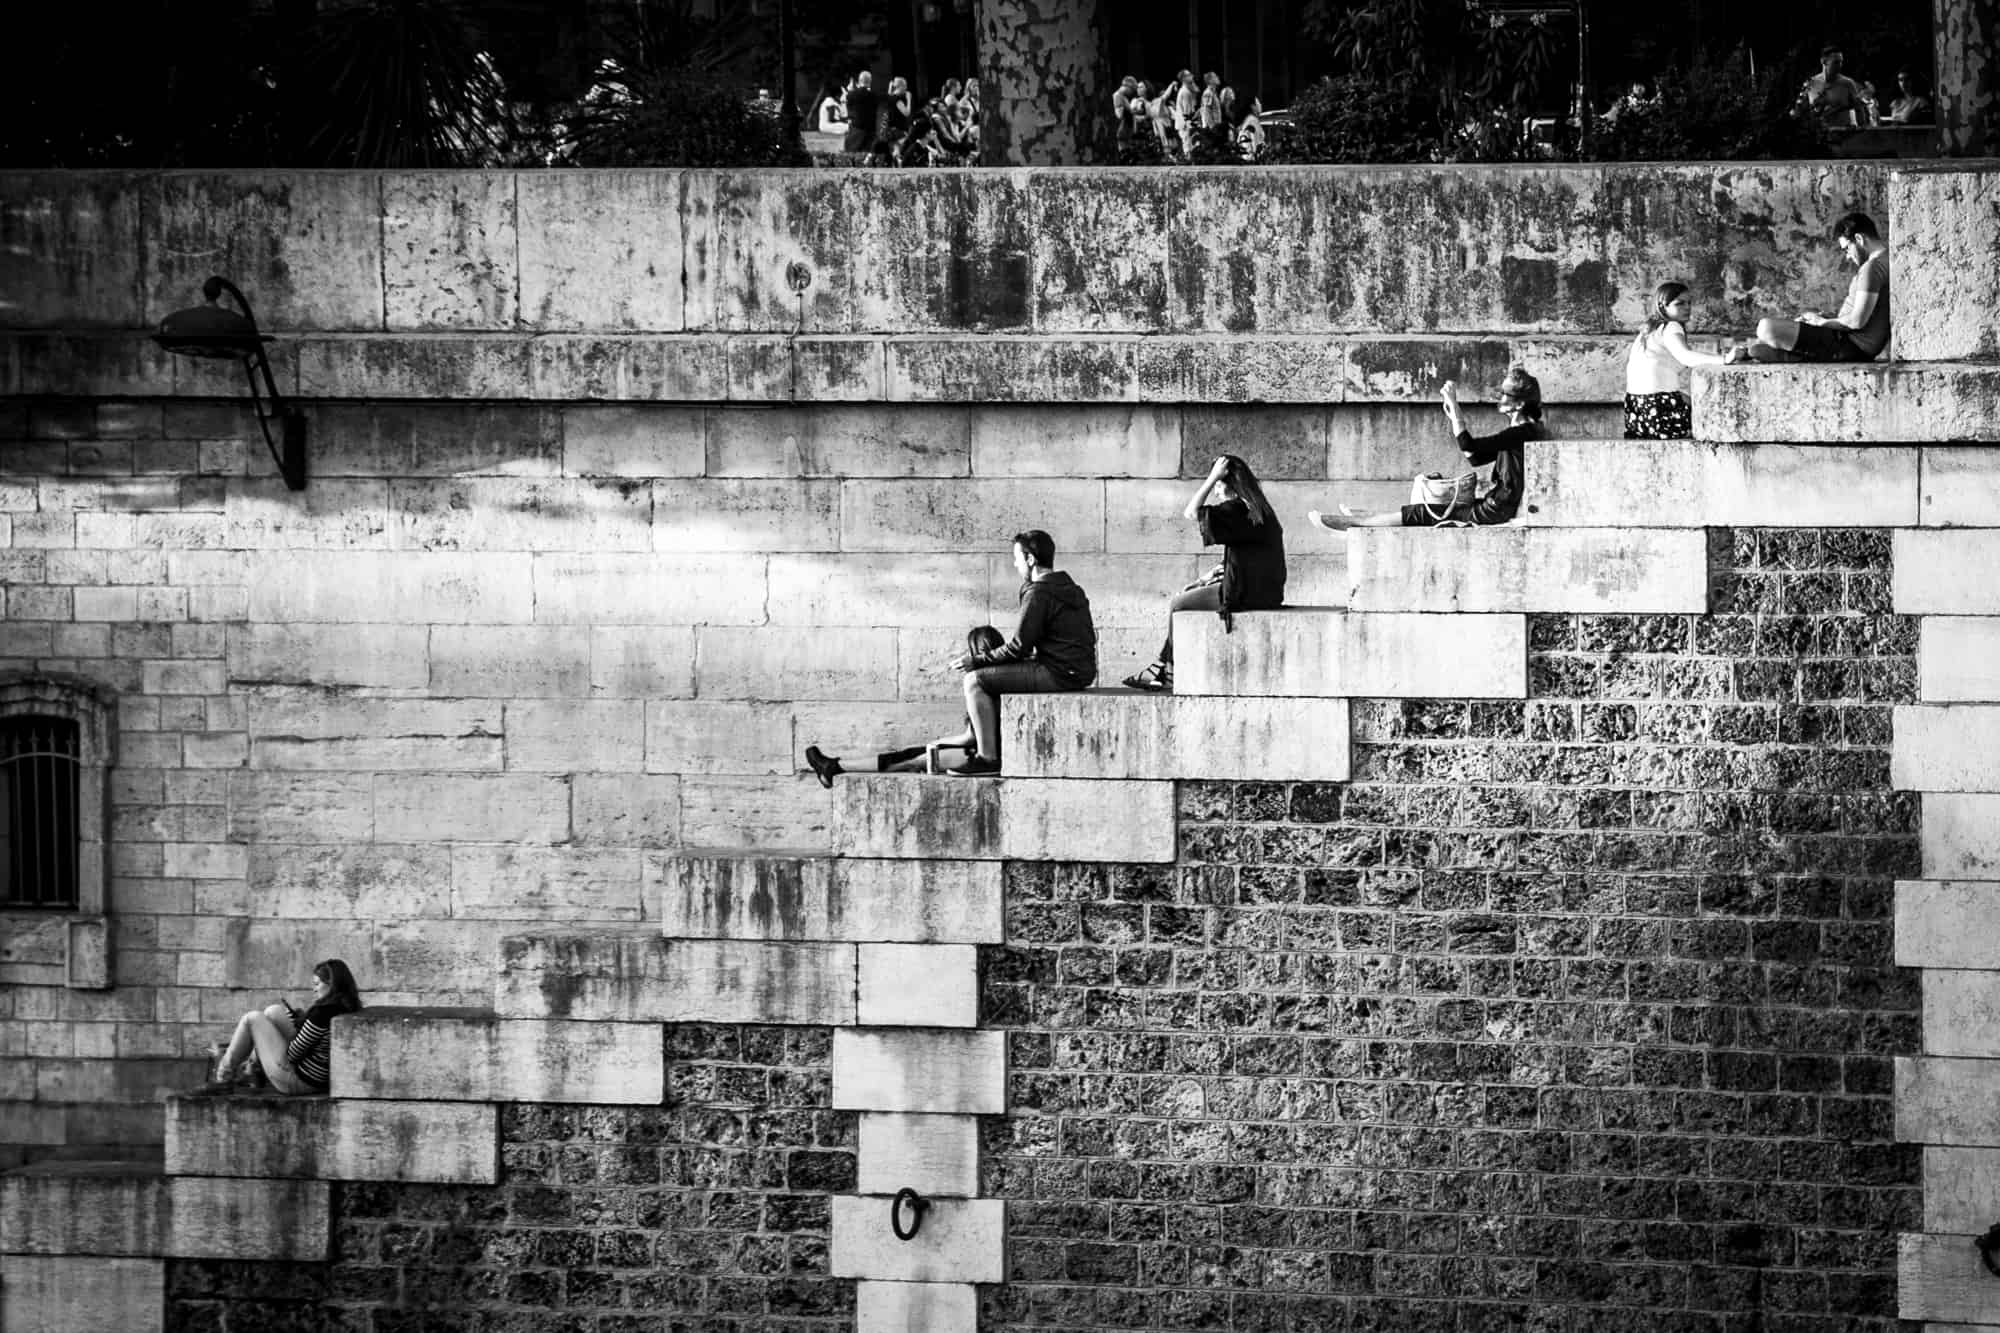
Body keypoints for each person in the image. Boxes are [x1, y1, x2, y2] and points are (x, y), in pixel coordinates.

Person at [1307, 368, 1547, 529]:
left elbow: (1469, 448)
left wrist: (1455, 410)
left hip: (1494, 511)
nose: (1500, 399)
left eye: (1505, 394)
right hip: (1495, 506)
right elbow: (1475, 456)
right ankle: (1364, 519)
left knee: (1422, 512)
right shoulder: (1525, 432)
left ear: (1520, 403)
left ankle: (1356, 524)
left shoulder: (1521, 433)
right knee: (1427, 508)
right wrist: (1455, 416)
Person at [1124, 455, 1285, 693]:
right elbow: (1243, 558)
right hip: (1266, 591)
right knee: (1189, 594)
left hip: (1242, 593)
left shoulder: (1237, 508)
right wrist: (1205, 580)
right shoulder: (1260, 509)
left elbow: (1191, 512)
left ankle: (1167, 670)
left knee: (1178, 603)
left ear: (1229, 483)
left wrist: (1211, 478)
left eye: (1219, 486)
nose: (1217, 492)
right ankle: (1162, 667)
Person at [949, 531, 1096, 776]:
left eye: (1017, 558)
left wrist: (975, 661)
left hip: (1058, 674)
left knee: (974, 681)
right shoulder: (1071, 588)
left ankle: (988, 759)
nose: (1015, 564)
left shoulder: (1039, 592)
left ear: (1030, 559)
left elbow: (1018, 646)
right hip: (1080, 672)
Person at [803, 627, 1005, 785]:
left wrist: (937, 742)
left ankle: (834, 767)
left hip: (972, 755)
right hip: (973, 751)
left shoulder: (981, 687)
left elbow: (971, 737)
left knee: (909, 760)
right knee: (910, 755)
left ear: (976, 651)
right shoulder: (994, 683)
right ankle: (834, 766)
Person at [1728, 213, 1888, 364]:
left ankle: (1750, 352)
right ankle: (1749, 352)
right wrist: (1826, 321)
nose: (1847, 256)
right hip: (1851, 343)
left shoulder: (1872, 268)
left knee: (1765, 328)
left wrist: (1822, 322)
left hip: (1850, 344)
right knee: (1765, 345)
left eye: (1846, 248)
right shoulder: (1887, 260)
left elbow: (1857, 321)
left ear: (1859, 238)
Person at [208, 959, 364, 1095]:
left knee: (252, 1018)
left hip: (299, 1081)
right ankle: (253, 1071)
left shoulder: (321, 1013)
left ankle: (222, 1077)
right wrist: (299, 1022)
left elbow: (293, 1054)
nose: (314, 989)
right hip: (319, 1076)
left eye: (317, 984)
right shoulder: (345, 1005)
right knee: (273, 1012)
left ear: (331, 985)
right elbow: (316, 1041)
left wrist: (288, 1032)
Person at [1624, 282, 1727, 438]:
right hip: (1659, 412)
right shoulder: (1671, 326)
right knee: (1719, 414)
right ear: (1663, 306)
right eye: (1680, 304)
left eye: (1689, 303)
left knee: (1692, 400)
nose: (1687, 308)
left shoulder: (1648, 330)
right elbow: (1686, 356)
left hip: (1637, 414)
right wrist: (1725, 359)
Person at [1801, 46, 1869, 128]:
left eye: (1841, 62)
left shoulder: (1847, 83)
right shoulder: (1811, 83)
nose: (1840, 65)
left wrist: (1863, 131)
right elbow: (1802, 112)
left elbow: (1859, 110)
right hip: (1819, 135)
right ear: (1823, 61)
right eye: (1836, 62)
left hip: (1842, 135)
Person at [843, 72, 880, 155]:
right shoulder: (874, 96)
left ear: (859, 81)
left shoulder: (851, 95)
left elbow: (849, 107)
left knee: (851, 153)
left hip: (856, 128)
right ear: (870, 82)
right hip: (871, 129)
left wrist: (850, 90)